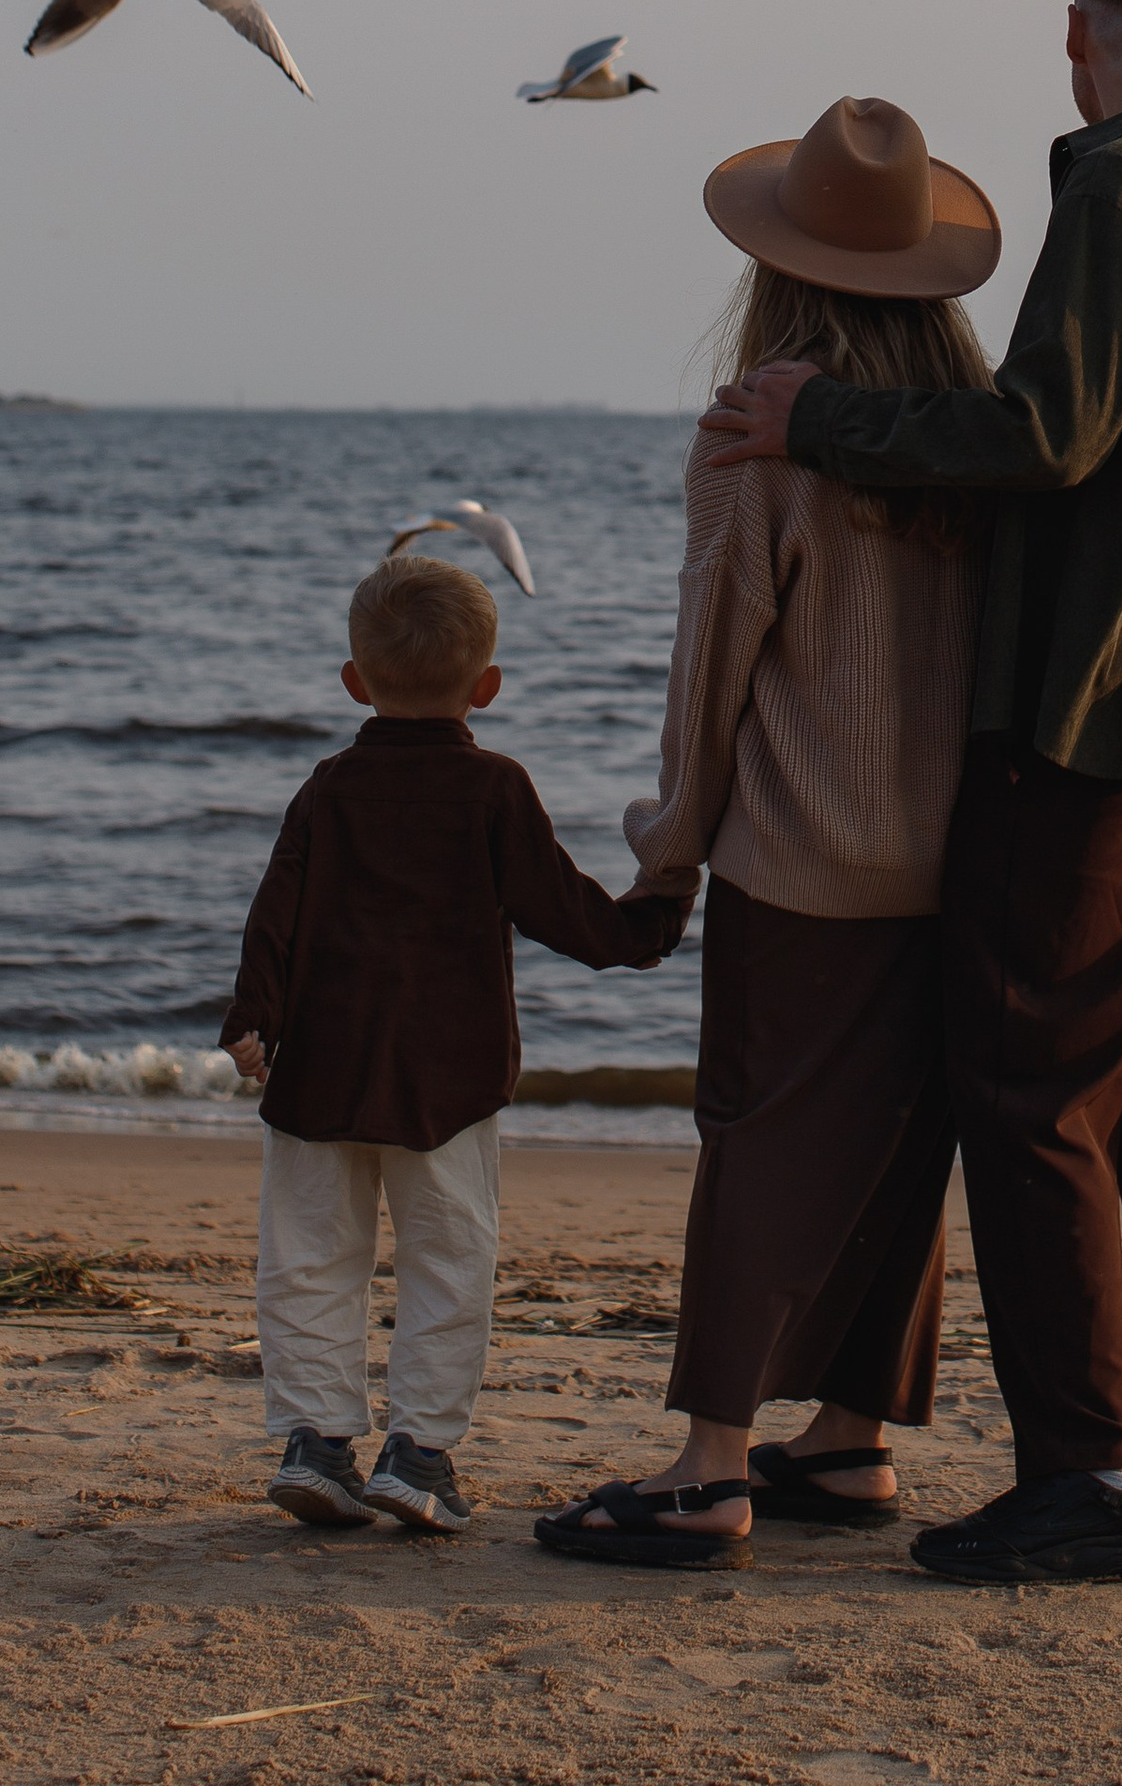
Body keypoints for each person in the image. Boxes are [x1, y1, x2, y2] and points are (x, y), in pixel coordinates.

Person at [700, 0, 1122, 1586]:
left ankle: (1093, 1473)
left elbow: (1044, 434)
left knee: (1032, 1089)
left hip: (1095, 719)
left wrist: (816, 419)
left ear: (1078, 39)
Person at [534, 95, 1000, 1570]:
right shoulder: (986, 439)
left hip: (802, 855)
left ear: (778, 269)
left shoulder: (758, 432)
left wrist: (668, 849)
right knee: (894, 1148)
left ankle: (710, 1466)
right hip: (964, 863)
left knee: (755, 1139)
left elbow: (714, 662)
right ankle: (851, 1438)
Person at [222, 548, 688, 1537]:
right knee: (447, 1259)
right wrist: (654, 914)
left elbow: (276, 912)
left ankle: (315, 1439)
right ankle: (420, 1453)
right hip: (448, 1078)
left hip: (322, 1069)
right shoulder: (494, 790)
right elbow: (563, 909)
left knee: (307, 1257)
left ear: (355, 682)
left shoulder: (328, 787)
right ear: (486, 687)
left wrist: (251, 1016)